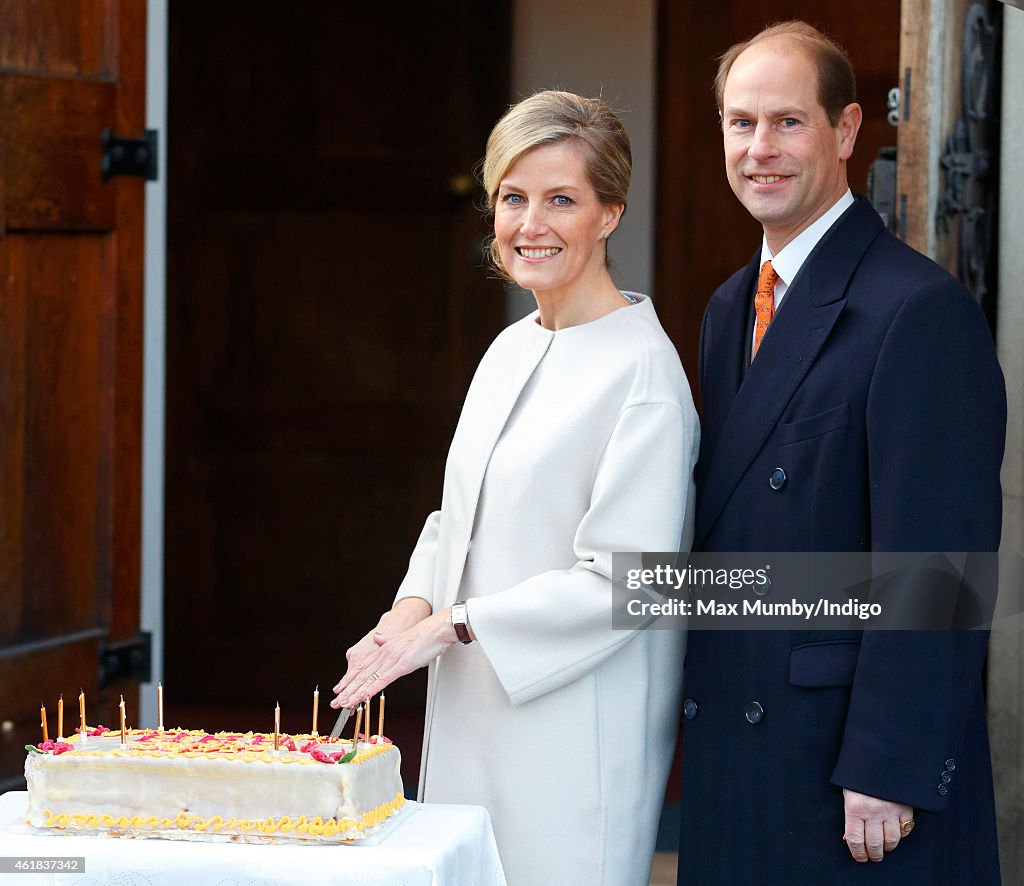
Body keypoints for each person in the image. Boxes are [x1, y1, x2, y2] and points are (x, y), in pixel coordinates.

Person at [332, 90, 699, 886]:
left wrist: (454, 626)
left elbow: (627, 587)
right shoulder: (509, 345)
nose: (530, 223)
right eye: (513, 197)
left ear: (610, 213)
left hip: (572, 735)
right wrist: (406, 618)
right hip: (470, 710)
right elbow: (457, 519)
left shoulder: (643, 376)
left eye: (561, 199)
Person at [678, 21, 1005, 886]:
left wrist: (889, 765)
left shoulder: (917, 310)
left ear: (848, 130)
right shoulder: (724, 312)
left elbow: (940, 568)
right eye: (740, 123)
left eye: (788, 122)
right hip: (739, 754)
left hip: (850, 778)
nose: (760, 149)